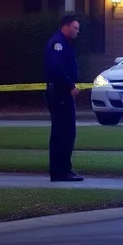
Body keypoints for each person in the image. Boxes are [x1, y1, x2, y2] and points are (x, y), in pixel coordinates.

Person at [44, 14, 82, 182]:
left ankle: (64, 169)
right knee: (63, 132)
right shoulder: (58, 44)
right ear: (65, 27)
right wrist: (70, 86)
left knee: (66, 132)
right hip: (60, 92)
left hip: (62, 92)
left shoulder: (65, 43)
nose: (77, 31)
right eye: (75, 27)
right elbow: (56, 69)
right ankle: (60, 171)